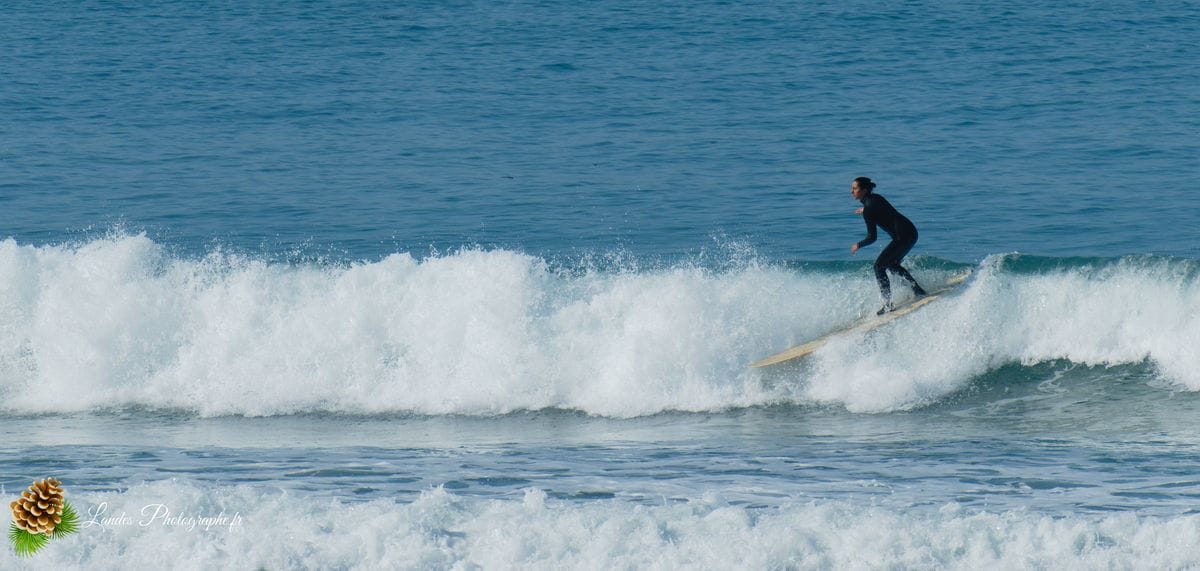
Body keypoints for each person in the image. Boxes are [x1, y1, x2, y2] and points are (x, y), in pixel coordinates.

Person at [849, 176, 927, 314]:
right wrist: (865, 210)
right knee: (891, 264)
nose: (851, 191)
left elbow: (872, 238)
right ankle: (917, 290)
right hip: (911, 231)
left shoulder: (869, 208)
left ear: (864, 190)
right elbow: (880, 209)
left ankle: (888, 304)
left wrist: (859, 245)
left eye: (855, 188)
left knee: (879, 266)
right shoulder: (876, 198)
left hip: (903, 236)